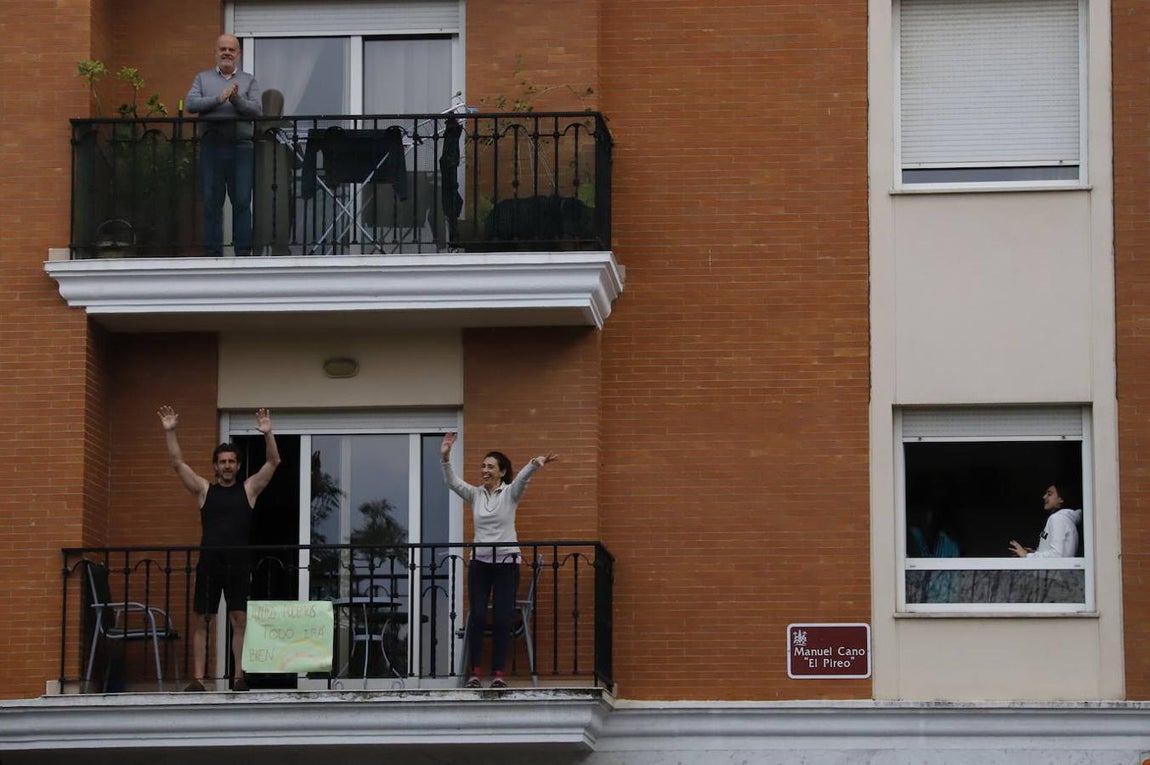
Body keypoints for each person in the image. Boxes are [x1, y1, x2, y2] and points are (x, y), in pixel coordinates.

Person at [158, 405, 281, 691]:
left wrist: (268, 433)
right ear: (215, 465)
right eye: (222, 461)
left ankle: (239, 677)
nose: (227, 466)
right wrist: (171, 432)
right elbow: (178, 464)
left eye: (231, 461)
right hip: (210, 562)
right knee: (203, 619)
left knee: (239, 619)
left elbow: (273, 462)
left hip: (238, 563)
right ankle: (199, 680)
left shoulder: (249, 490)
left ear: (238, 466)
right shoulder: (204, 491)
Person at [440, 432, 557, 689]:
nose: (485, 470)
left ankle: (498, 674)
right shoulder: (475, 495)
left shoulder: (509, 494)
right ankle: (474, 674)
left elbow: (522, 480)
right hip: (481, 563)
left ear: (502, 472)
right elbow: (452, 483)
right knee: (478, 616)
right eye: (483, 466)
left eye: (490, 466)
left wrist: (534, 463)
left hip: (506, 563)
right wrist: (445, 457)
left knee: (504, 617)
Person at [185, 34, 263, 256]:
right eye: (223, 49)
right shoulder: (202, 78)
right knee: (211, 200)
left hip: (241, 147)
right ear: (216, 53)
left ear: (238, 54)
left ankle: (243, 252)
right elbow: (191, 103)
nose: (227, 53)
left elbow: (257, 111)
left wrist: (236, 99)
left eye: (231, 49)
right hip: (212, 146)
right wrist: (219, 98)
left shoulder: (249, 80)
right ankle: (212, 252)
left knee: (241, 200)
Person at [1009, 484, 1083, 558]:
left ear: (1061, 499)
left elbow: (1057, 555)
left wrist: (1027, 555)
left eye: (1049, 494)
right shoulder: (1065, 519)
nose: (1044, 497)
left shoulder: (1058, 518)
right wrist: (1036, 552)